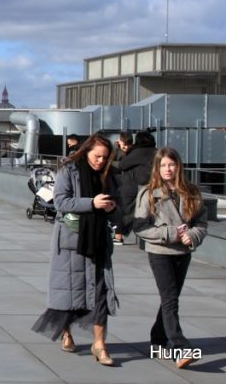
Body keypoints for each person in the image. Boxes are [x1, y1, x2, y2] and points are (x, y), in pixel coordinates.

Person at [32, 134, 119, 367]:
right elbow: (61, 202)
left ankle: (99, 344)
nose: (100, 161)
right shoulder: (68, 170)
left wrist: (112, 206)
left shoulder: (108, 174)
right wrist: (92, 203)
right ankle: (66, 331)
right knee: (69, 291)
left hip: (99, 239)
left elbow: (116, 200)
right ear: (86, 151)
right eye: (97, 156)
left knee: (100, 293)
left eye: (105, 157)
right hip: (72, 241)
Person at [133, 147, 208, 368]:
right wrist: (171, 233)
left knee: (169, 299)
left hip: (183, 253)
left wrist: (193, 235)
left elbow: (201, 222)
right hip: (160, 252)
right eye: (163, 165)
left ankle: (157, 340)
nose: (167, 169)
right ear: (157, 167)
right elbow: (140, 227)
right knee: (171, 299)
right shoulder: (149, 193)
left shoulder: (191, 191)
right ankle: (180, 348)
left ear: (179, 166)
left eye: (171, 164)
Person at [116, 131, 156, 244]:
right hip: (152, 186)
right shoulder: (157, 152)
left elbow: (122, 164)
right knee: (148, 212)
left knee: (127, 211)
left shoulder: (138, 152)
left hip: (133, 187)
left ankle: (118, 235)